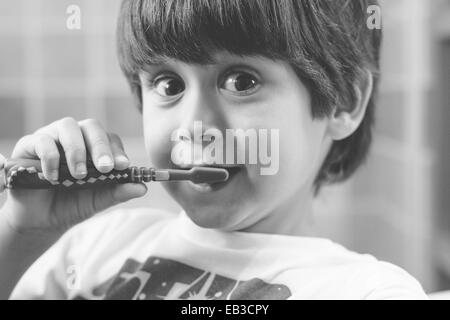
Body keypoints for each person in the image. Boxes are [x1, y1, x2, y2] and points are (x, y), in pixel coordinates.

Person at [0, 0, 428, 299]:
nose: (193, 127)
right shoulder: (91, 245)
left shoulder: (365, 290)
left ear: (344, 101)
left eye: (242, 81)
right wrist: (21, 232)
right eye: (168, 84)